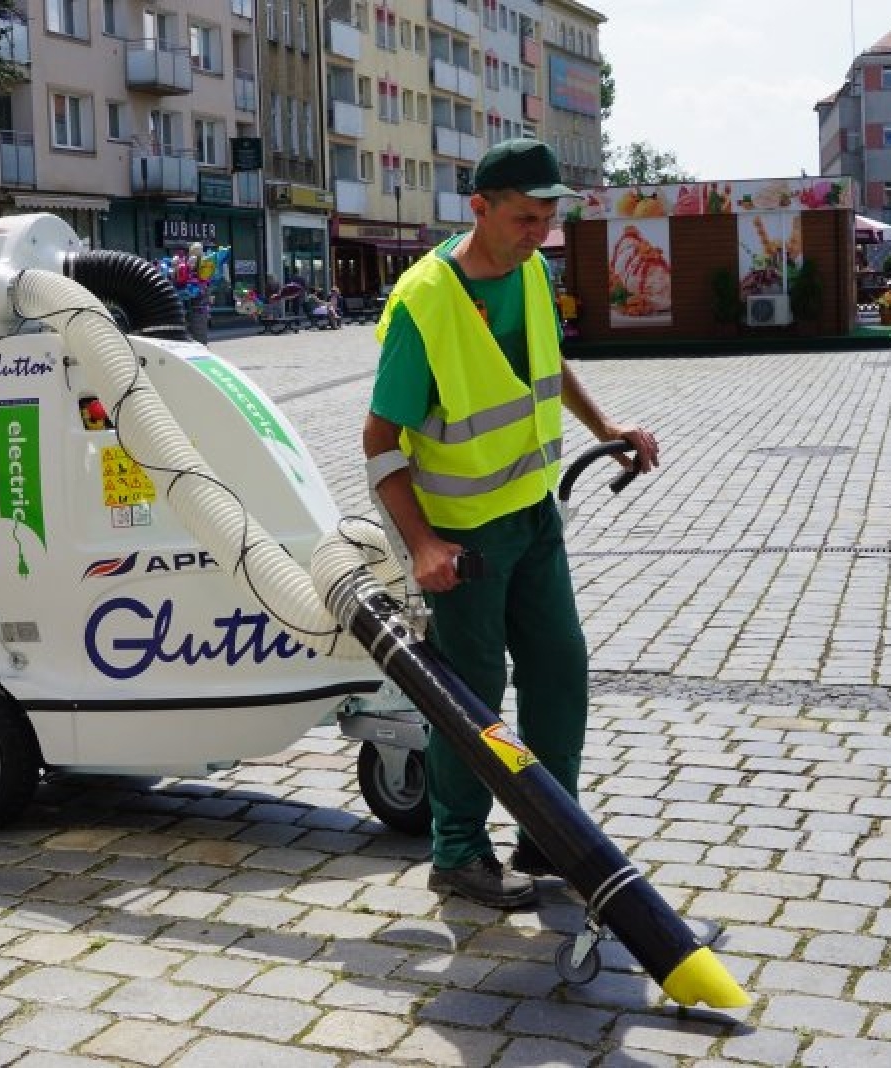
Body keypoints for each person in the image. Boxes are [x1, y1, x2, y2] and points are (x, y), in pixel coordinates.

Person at [363, 138, 660, 909]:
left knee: (560, 669)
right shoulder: (426, 304)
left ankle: (548, 835)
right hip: (464, 539)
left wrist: (604, 426)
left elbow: (547, 365)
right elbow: (379, 440)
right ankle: (458, 852)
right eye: (526, 218)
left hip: (533, 516)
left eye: (547, 218)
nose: (540, 233)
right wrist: (422, 545)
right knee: (473, 696)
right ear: (480, 209)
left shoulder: (530, 271)